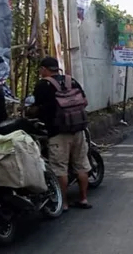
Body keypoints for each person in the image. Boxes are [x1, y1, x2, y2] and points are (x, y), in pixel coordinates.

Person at [32, 56, 92, 210]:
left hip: (57, 132)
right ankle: (84, 199)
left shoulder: (43, 85)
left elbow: (38, 109)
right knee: (81, 165)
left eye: (41, 69)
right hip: (78, 129)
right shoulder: (70, 80)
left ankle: (63, 203)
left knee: (60, 168)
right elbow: (84, 101)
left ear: (44, 69)